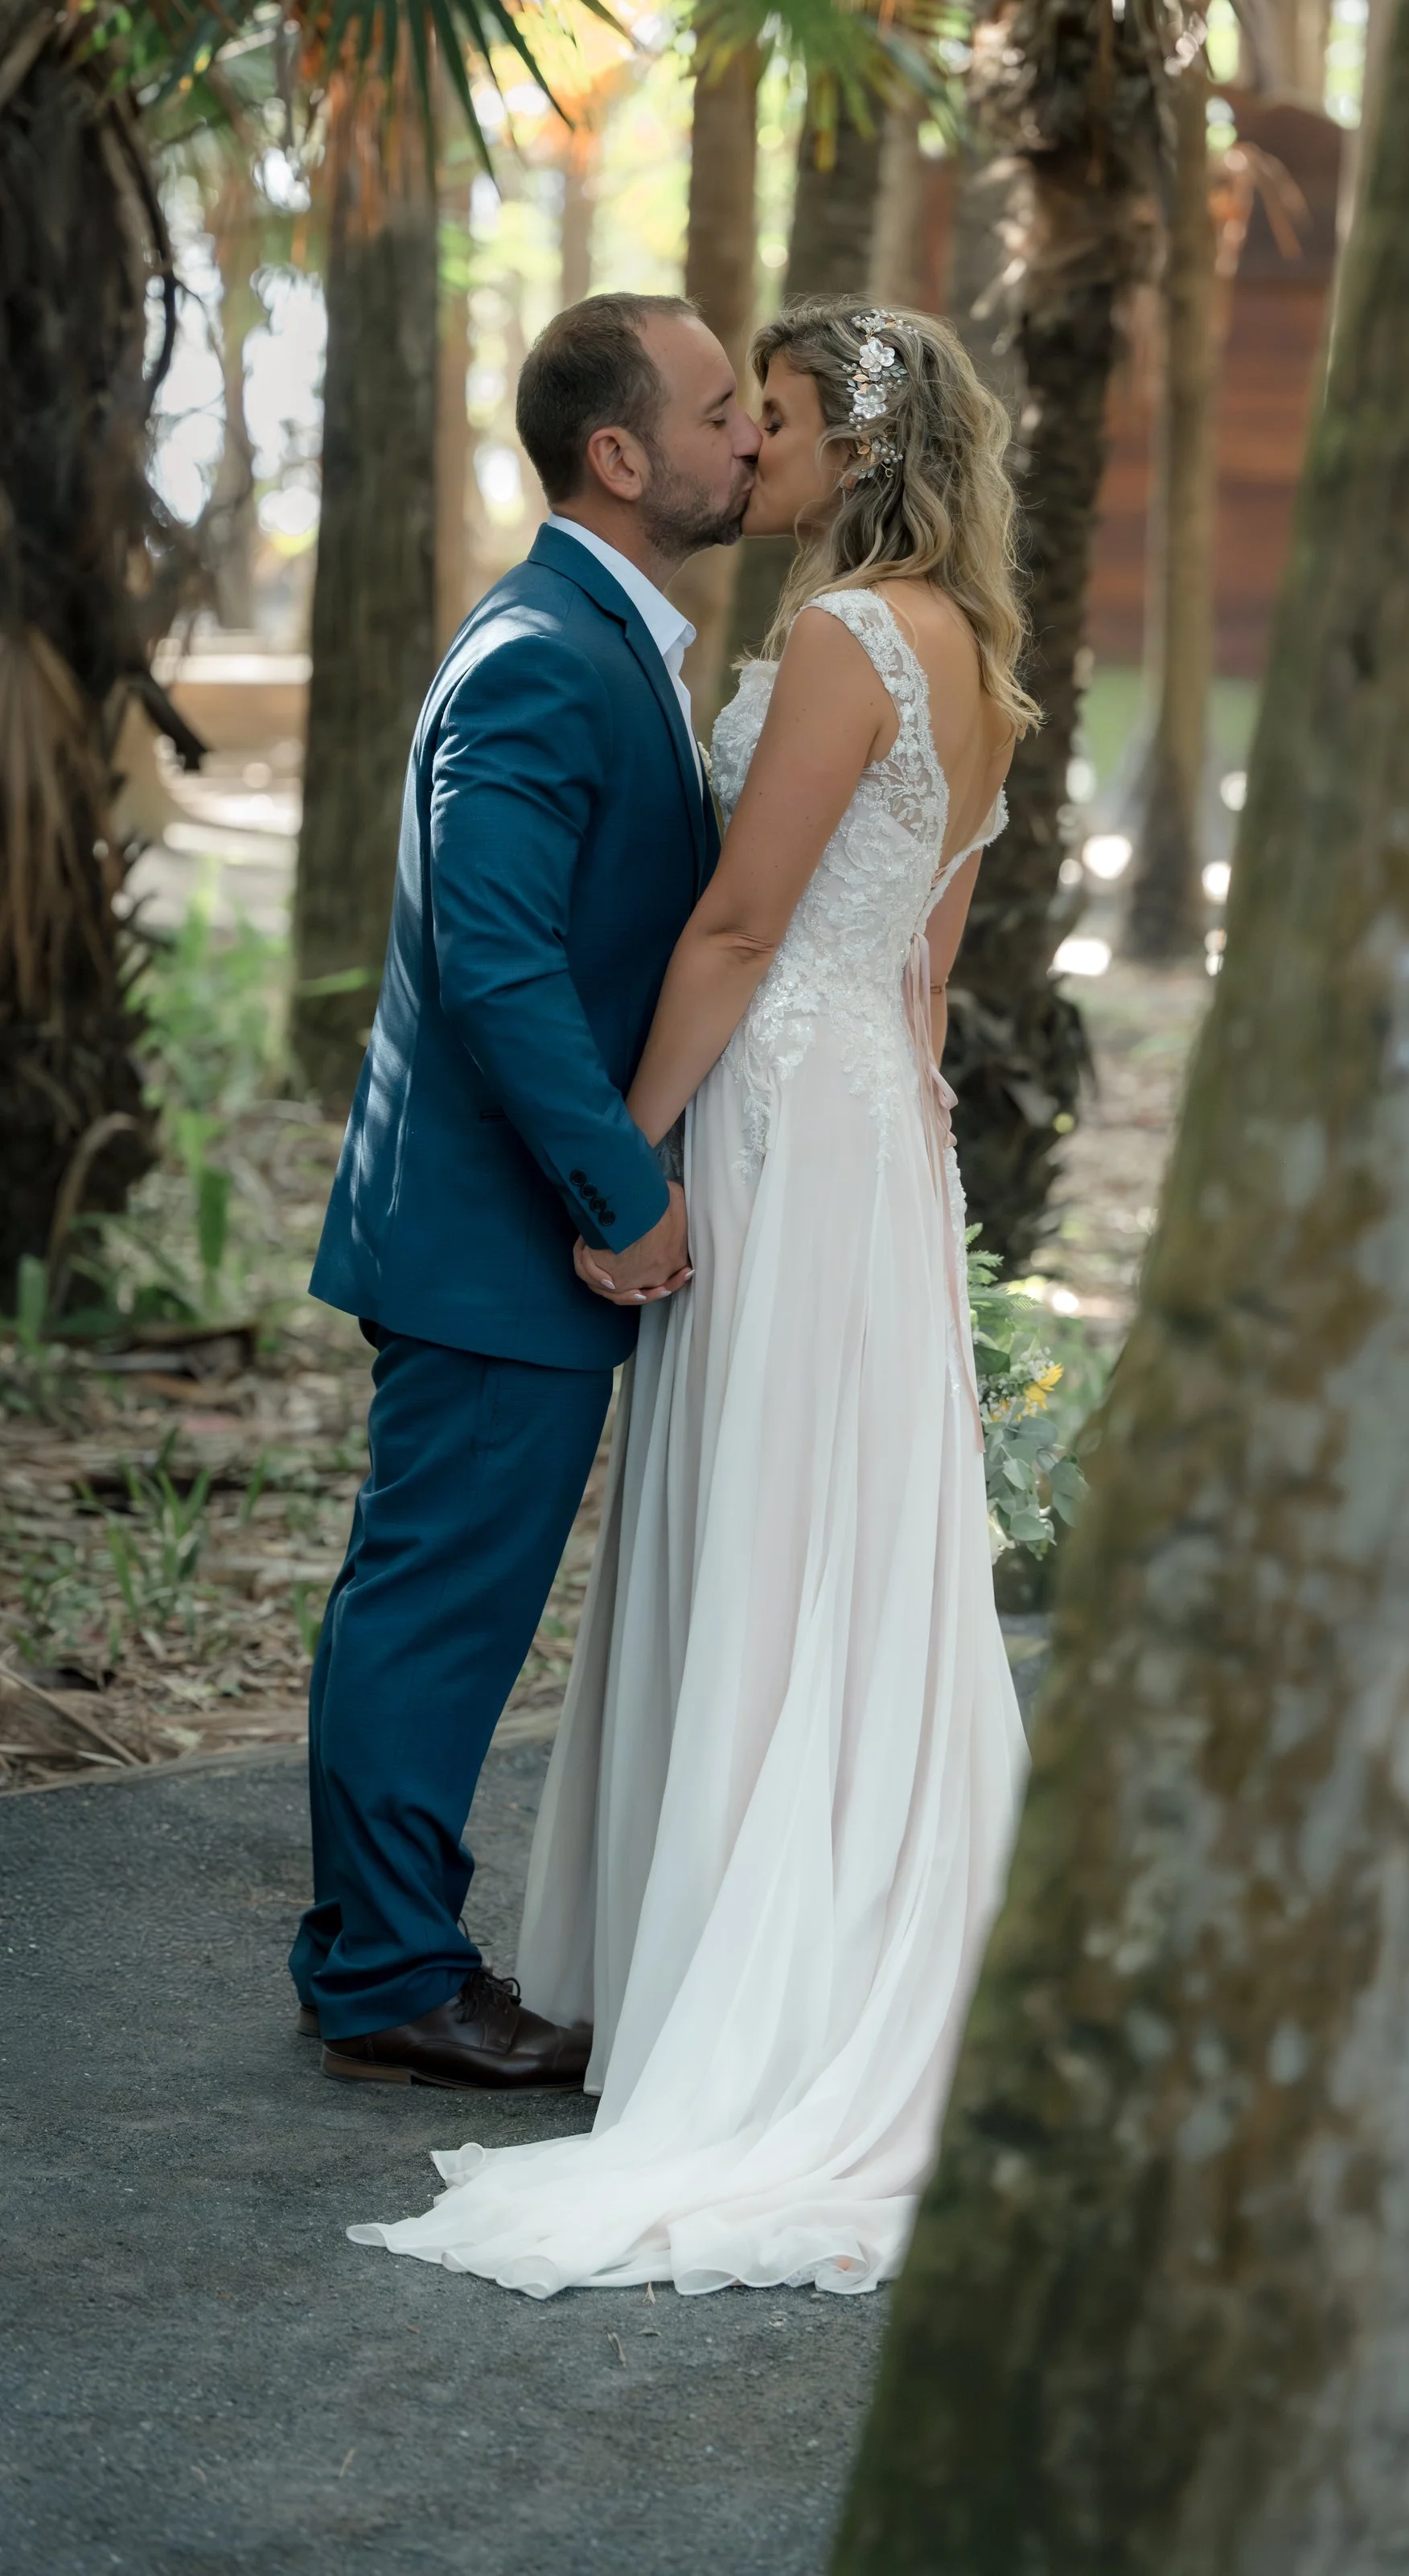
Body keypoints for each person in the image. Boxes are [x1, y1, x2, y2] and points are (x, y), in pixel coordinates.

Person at [347, 298, 1035, 2296]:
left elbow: (739, 924)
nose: (757, 446)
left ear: (861, 450)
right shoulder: (972, 660)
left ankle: (746, 1987)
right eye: (737, 414)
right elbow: (917, 975)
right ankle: (798, 1940)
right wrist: (901, 1181)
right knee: (840, 1545)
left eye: (785, 416)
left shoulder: (835, 641)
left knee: (759, 1528)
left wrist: (635, 1161)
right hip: (869, 1142)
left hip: (765, 1129)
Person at [293, 296, 759, 2090]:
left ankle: (363, 1949)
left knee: (429, 1598)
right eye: (718, 412)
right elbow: (490, 961)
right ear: (619, 456)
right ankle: (396, 1976)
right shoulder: (542, 656)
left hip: (499, 1235)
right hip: (500, 1240)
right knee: (435, 1606)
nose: (745, 440)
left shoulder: (600, 636)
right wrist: (618, 1185)